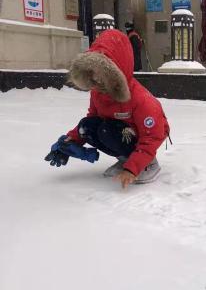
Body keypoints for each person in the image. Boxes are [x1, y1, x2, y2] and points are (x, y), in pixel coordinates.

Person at [44, 29, 170, 188]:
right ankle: (126, 158)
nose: (96, 79)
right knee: (88, 127)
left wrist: (133, 169)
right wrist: (71, 141)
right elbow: (91, 119)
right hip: (120, 132)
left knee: (106, 130)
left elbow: (152, 137)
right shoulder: (98, 93)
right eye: (92, 72)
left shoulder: (141, 99)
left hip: (144, 137)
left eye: (103, 72)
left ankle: (148, 164)